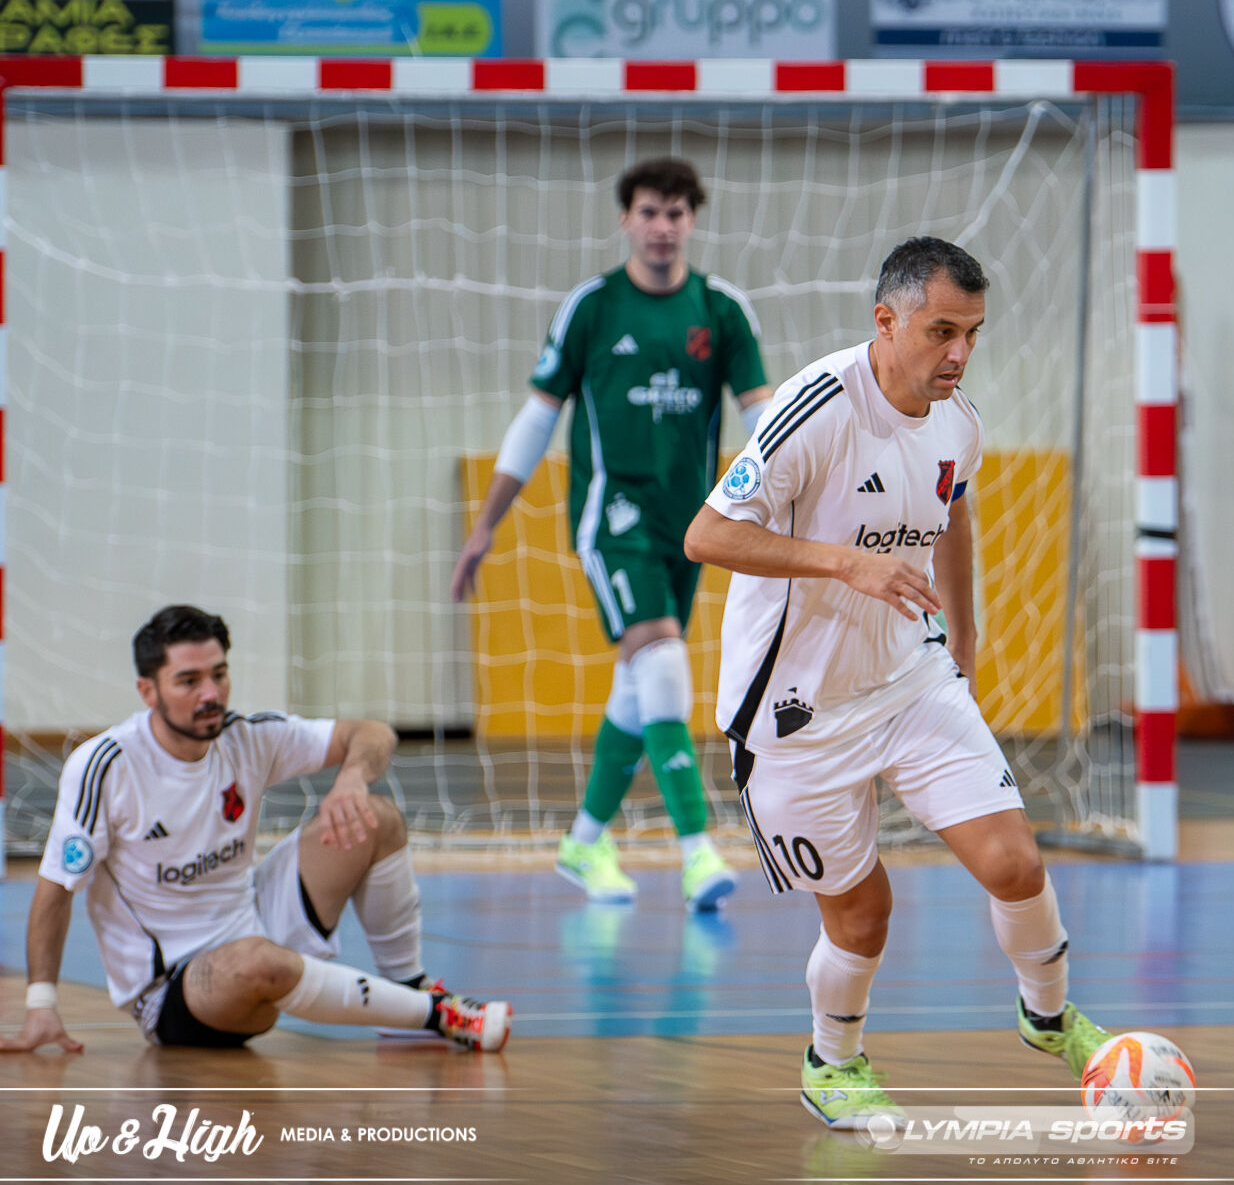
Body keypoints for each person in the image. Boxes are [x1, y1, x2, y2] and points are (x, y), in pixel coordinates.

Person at [684, 236, 1109, 1129]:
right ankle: (831, 1062)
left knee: (1016, 861)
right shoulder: (817, 407)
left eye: (974, 333)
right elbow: (707, 535)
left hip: (911, 680)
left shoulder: (960, 422)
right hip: (796, 715)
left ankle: (1049, 1016)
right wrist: (844, 561)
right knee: (864, 913)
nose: (960, 352)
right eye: (941, 330)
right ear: (887, 320)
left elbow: (952, 509)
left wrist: (964, 639)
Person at [452, 158, 773, 909]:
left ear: (692, 222)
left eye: (676, 213)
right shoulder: (592, 308)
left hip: (691, 526)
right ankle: (696, 848)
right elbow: (537, 419)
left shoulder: (722, 310)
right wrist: (486, 525)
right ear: (625, 220)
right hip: (613, 519)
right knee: (662, 660)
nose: (662, 226)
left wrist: (803, 498)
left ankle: (584, 840)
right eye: (649, 212)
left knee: (639, 681)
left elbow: (763, 419)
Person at [2, 606, 510, 1053]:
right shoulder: (106, 766)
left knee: (377, 817)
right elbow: (55, 889)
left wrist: (352, 779)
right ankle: (437, 1016)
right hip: (177, 989)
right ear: (147, 691)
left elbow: (373, 733)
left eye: (219, 675)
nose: (211, 694)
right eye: (188, 681)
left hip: (257, 923)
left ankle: (409, 984)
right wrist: (41, 1004)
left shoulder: (247, 737)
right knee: (258, 962)